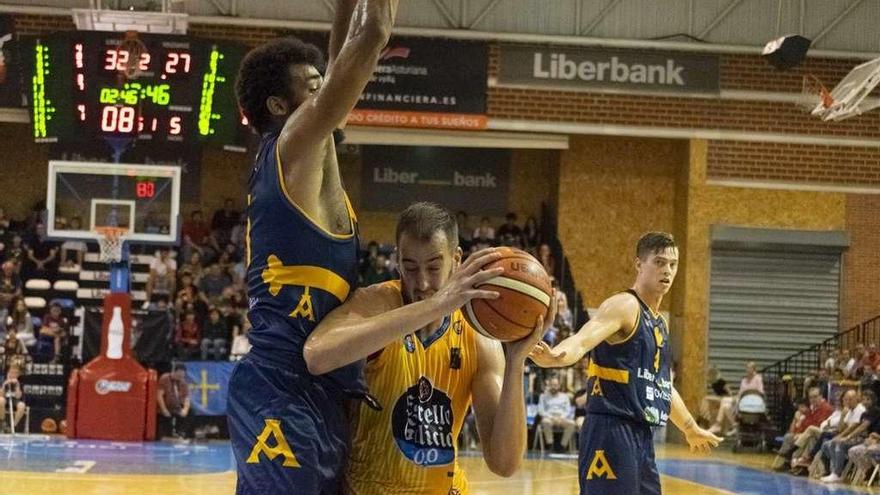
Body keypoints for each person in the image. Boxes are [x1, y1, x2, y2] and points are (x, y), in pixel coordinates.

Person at [227, 2, 399, 493]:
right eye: (313, 85)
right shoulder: (291, 146)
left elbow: (343, 52)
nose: (327, 87)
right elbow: (369, 39)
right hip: (280, 385)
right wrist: (373, 24)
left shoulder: (317, 157)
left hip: (325, 388)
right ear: (280, 108)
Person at [306, 202, 554, 493]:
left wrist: (515, 363)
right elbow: (316, 355)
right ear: (397, 261)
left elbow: (504, 464)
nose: (422, 282)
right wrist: (434, 305)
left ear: (457, 259)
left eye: (434, 268)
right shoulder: (378, 303)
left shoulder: (479, 337)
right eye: (410, 267)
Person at [530, 232, 721, 495]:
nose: (667, 270)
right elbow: (583, 339)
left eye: (673, 264)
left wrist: (689, 427)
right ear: (639, 264)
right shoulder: (624, 306)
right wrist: (555, 357)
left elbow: (661, 385)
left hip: (642, 435)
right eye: (659, 262)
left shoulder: (659, 323)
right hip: (610, 431)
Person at [538, 376, 576, 452]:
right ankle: (550, 444)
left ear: (559, 386)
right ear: (549, 385)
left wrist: (561, 417)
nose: (553, 387)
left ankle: (562, 446)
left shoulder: (565, 396)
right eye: (552, 385)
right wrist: (551, 417)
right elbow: (540, 410)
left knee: (572, 423)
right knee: (545, 422)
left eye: (555, 385)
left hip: (562, 418)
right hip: (549, 418)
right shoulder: (543, 396)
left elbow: (568, 410)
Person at [157, 363, 191, 439]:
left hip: (177, 407)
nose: (180, 377)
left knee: (191, 412)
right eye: (179, 375)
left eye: (182, 375)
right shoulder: (164, 378)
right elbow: (159, 395)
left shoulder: (183, 382)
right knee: (165, 419)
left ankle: (182, 433)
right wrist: (164, 410)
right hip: (167, 406)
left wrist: (185, 410)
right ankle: (167, 434)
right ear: (174, 372)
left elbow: (187, 398)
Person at [0, 365, 25, 433]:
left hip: (15, 401)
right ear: (8, 372)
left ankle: (13, 426)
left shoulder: (20, 382)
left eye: (15, 373)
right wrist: (4, 384)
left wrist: (17, 385)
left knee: (22, 405)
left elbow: (18, 396)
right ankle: (2, 422)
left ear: (18, 374)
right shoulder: (3, 380)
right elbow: (1, 395)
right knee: (1, 400)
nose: (13, 374)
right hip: (5, 400)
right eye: (12, 372)